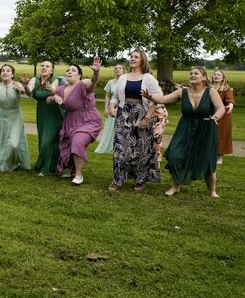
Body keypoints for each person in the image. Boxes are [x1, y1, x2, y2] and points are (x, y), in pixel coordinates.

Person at [142, 66, 225, 197]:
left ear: (203, 77)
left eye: (196, 73)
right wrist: (150, 96)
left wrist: (215, 117)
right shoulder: (182, 92)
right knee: (175, 155)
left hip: (206, 129)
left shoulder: (211, 92)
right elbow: (163, 100)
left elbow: (220, 108)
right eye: (190, 73)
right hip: (185, 128)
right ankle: (175, 186)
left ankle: (212, 190)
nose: (192, 75)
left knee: (206, 160)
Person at [108, 50, 163, 191]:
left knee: (141, 149)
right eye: (131, 56)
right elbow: (115, 96)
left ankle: (141, 179)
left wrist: (147, 117)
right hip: (124, 115)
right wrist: (112, 105)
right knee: (120, 148)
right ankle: (118, 179)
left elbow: (157, 99)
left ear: (142, 60)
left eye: (136, 57)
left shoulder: (148, 78)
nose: (132, 59)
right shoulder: (123, 77)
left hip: (142, 115)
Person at [51, 57, 103, 185]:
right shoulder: (62, 88)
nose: (69, 72)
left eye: (73, 70)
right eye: (68, 70)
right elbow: (49, 98)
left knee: (78, 141)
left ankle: (79, 175)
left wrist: (96, 73)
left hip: (88, 120)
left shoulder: (83, 84)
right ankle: (73, 171)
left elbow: (92, 82)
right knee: (69, 145)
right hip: (70, 121)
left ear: (79, 75)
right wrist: (54, 97)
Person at [21, 61, 64, 176]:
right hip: (41, 113)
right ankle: (49, 164)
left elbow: (54, 91)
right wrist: (25, 84)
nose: (44, 68)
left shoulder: (55, 79)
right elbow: (29, 91)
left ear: (52, 70)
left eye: (47, 66)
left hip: (54, 113)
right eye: (43, 66)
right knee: (43, 140)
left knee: (47, 141)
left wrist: (51, 90)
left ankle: (47, 169)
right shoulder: (35, 80)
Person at [94, 64, 125, 154]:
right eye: (116, 68)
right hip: (112, 108)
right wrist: (106, 108)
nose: (118, 70)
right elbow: (107, 96)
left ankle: (120, 147)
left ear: (123, 70)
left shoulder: (127, 81)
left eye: (120, 68)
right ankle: (109, 146)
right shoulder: (110, 82)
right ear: (114, 71)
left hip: (123, 107)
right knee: (110, 128)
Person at [211, 70, 235, 165]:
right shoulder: (208, 88)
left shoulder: (226, 89)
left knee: (221, 135)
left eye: (219, 75)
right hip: (210, 114)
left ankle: (220, 157)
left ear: (223, 78)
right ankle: (209, 154)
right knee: (209, 135)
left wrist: (230, 106)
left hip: (223, 116)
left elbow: (230, 100)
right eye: (215, 74)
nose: (216, 76)